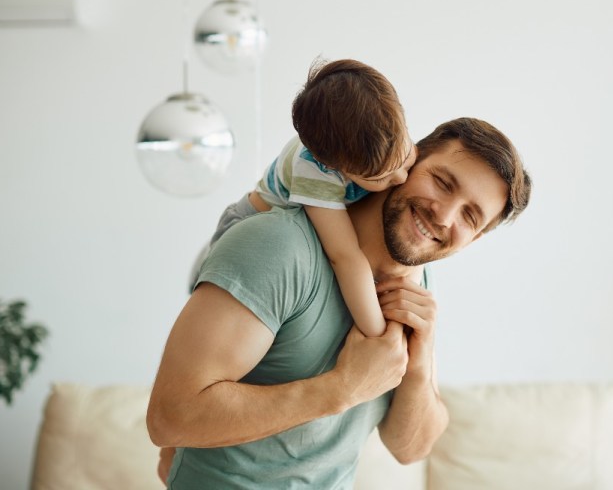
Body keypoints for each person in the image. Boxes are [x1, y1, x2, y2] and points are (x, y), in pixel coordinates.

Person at [147, 117, 532, 489]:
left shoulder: (417, 284)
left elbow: (411, 448)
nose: (444, 215)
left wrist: (418, 361)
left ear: (475, 238)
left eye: (469, 215)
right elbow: (171, 417)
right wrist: (342, 388)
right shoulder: (279, 247)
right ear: (410, 160)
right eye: (443, 183)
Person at [200, 58, 416, 338]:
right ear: (338, 169)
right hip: (247, 227)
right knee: (222, 326)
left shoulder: (385, 136)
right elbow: (345, 257)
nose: (400, 178)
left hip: (297, 229)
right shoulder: (315, 172)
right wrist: (379, 335)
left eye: (406, 157)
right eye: (379, 179)